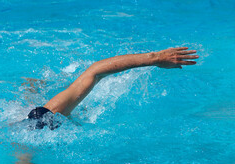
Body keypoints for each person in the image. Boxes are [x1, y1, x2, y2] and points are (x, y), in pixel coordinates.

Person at [26, 47, 198, 130]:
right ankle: (32, 87)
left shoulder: (50, 114)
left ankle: (32, 87)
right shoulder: (37, 128)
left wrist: (154, 58)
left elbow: (96, 70)